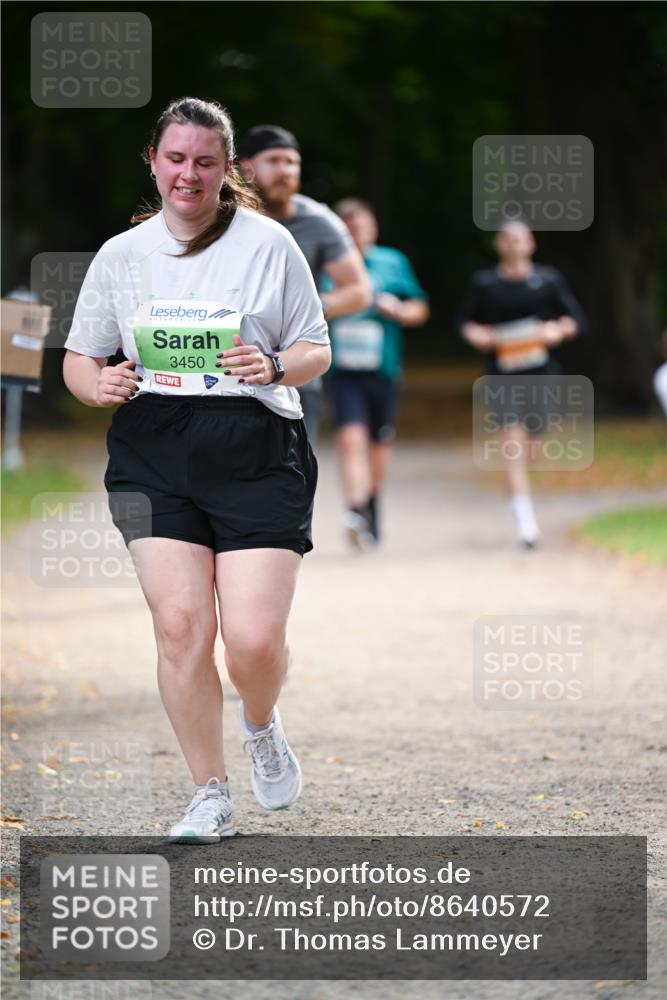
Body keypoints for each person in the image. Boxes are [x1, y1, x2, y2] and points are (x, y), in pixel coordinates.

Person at [62, 97, 331, 842]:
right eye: (175, 158)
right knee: (180, 627)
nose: (188, 173)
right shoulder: (123, 255)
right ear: (153, 162)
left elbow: (316, 347)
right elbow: (81, 359)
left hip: (255, 445)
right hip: (155, 447)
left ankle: (260, 719)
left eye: (204, 162)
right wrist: (99, 384)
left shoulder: (269, 244)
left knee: (250, 641)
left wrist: (273, 363)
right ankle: (208, 793)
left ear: (226, 170)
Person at [238, 125, 370, 447]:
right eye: (273, 161)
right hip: (230, 370)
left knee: (294, 479)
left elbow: (359, 291)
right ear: (245, 167)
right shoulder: (225, 218)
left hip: (296, 375)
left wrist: (304, 311)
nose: (284, 170)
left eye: (291, 162)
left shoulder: (319, 221)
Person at [458, 220, 584, 548]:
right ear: (499, 245)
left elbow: (574, 320)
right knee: (511, 444)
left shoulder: (548, 280)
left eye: (520, 239)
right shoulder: (485, 284)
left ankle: (522, 496)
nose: (514, 245)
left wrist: (557, 330)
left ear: (531, 244)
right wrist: (480, 335)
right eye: (508, 239)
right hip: (502, 377)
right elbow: (466, 323)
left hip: (540, 375)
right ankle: (525, 524)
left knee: (533, 447)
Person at [326, 199, 430, 549]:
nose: (359, 236)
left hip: (383, 368)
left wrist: (398, 310)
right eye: (351, 230)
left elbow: (420, 309)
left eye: (365, 229)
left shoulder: (391, 262)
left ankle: (372, 502)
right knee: (350, 437)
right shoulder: (327, 264)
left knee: (378, 443)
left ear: (374, 230)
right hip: (342, 369)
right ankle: (355, 511)